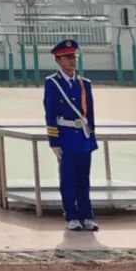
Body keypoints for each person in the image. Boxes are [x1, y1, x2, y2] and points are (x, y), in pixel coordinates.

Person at [45, 37, 98, 231]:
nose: (72, 61)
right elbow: (50, 112)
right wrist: (54, 140)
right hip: (65, 136)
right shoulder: (53, 83)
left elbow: (90, 114)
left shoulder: (84, 84)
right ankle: (72, 216)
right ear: (58, 60)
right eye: (67, 58)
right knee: (68, 179)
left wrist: (91, 137)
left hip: (82, 137)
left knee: (84, 179)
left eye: (73, 57)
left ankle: (86, 215)